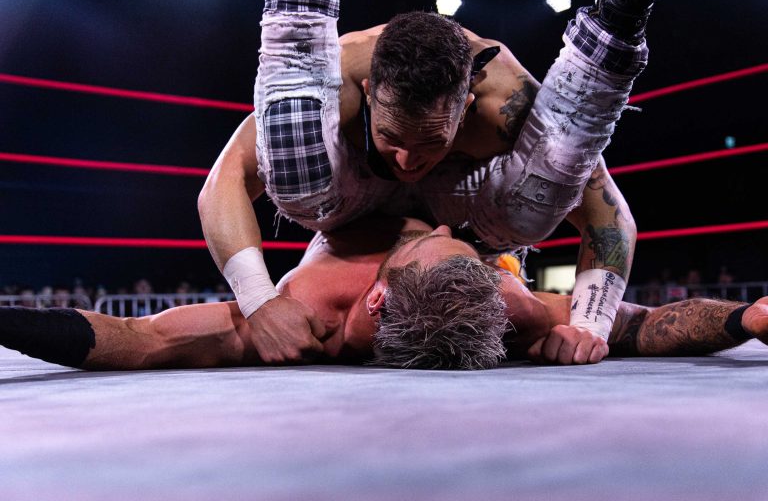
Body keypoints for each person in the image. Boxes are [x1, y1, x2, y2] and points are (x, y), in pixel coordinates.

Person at [198, 0, 661, 364]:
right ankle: (298, 7)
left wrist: (589, 326)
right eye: (390, 136)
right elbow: (222, 181)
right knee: (297, 169)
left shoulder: (506, 103)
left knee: (548, 179)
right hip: (350, 199)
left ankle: (616, 23)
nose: (406, 162)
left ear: (465, 109)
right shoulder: (338, 85)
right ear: (369, 93)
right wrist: (260, 303)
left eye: (429, 141)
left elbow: (610, 218)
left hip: (464, 209)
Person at [1, 216, 766, 371]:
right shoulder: (516, 310)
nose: (442, 221)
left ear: (374, 298)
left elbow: (139, 341)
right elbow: (640, 324)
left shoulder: (306, 312)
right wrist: (745, 318)